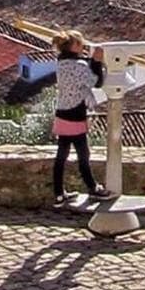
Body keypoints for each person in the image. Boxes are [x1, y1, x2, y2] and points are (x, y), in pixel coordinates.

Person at [51, 31, 112, 204]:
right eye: (81, 43)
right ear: (75, 46)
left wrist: (91, 61)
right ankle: (93, 187)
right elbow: (96, 82)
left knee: (61, 155)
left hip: (62, 112)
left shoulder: (62, 63)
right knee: (83, 154)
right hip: (75, 115)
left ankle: (58, 192)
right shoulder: (79, 65)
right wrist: (97, 62)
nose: (84, 45)